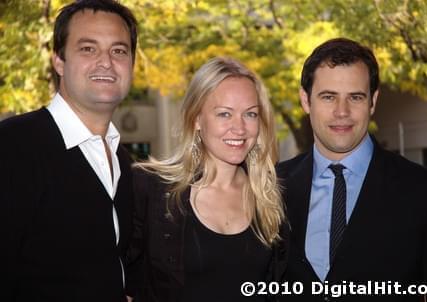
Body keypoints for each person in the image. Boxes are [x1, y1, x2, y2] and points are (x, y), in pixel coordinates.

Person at [277, 38, 427, 302]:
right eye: (328, 97)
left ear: (373, 101)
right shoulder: (270, 186)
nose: (342, 112)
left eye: (355, 97)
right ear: (306, 100)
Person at [0, 1, 137, 301]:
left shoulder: (122, 162)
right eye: (88, 49)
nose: (106, 62)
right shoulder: (11, 147)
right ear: (58, 62)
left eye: (119, 50)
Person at [125, 57, 286, 302]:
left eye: (250, 114)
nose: (239, 128)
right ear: (197, 119)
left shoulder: (271, 197)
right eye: (224, 114)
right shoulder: (150, 189)